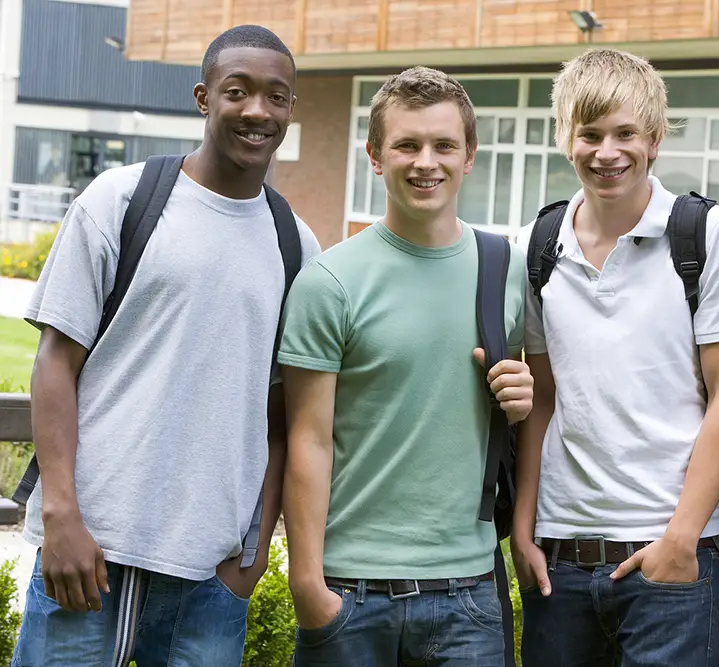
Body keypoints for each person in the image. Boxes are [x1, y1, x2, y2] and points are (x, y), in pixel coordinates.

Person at [12, 24, 320, 667]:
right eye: (238, 91)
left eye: (277, 96)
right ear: (204, 98)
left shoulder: (297, 245)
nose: (258, 110)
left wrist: (257, 546)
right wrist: (61, 517)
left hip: (210, 573)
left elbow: (279, 413)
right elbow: (55, 363)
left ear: (291, 109)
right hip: (89, 552)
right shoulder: (121, 200)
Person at [278, 65, 532, 666]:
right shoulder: (329, 283)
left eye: (444, 145)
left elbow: (526, 408)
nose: (426, 162)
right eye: (407, 145)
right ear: (374, 155)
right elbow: (308, 440)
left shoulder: (506, 269)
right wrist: (308, 586)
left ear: (469, 155)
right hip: (350, 590)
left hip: (469, 592)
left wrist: (519, 398)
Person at [512, 47, 719, 667]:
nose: (607, 151)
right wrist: (524, 525)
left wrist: (681, 540)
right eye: (590, 134)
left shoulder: (705, 235)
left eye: (625, 133)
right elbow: (543, 400)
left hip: (669, 555)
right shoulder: (539, 247)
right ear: (565, 137)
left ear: (654, 139)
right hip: (559, 556)